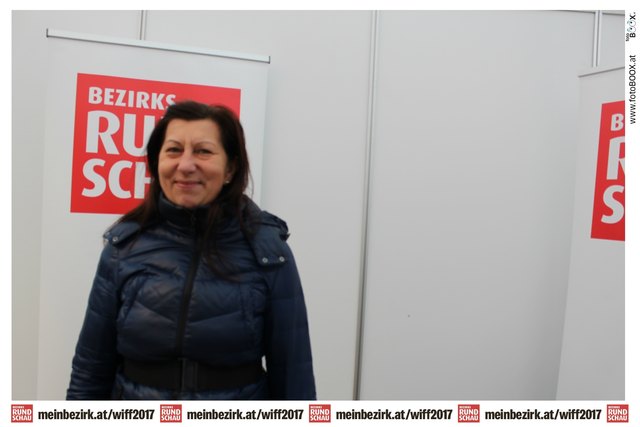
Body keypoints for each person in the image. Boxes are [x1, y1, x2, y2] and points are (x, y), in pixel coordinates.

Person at [66, 101, 316, 400]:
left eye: (203, 151)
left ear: (230, 168)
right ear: (157, 163)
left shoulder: (268, 252)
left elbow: (294, 376)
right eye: (173, 150)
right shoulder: (124, 247)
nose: (185, 165)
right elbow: (90, 368)